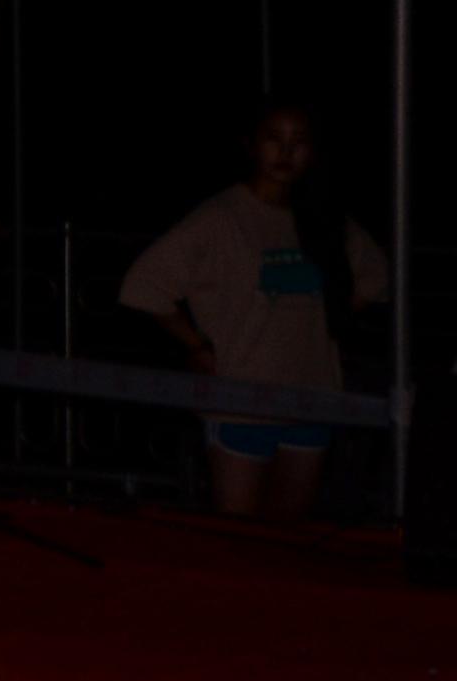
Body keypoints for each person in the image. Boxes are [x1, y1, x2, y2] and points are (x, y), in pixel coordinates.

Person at [119, 100, 389, 522]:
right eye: (274, 139)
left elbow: (376, 276)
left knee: (290, 535)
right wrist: (196, 344)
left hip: (312, 395)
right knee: (239, 533)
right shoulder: (221, 217)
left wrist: (328, 317)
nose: (285, 152)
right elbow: (144, 285)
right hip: (241, 398)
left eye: (298, 142)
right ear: (251, 145)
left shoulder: (325, 219)